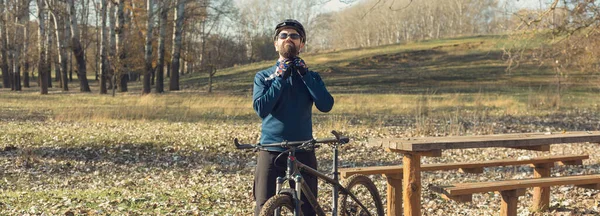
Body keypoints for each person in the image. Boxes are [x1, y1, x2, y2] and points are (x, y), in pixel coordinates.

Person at [252, 19, 334, 216]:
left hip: (303, 149)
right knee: (263, 207)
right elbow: (261, 109)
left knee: (307, 209)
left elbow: (326, 105)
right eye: (283, 35)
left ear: (301, 44)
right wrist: (279, 78)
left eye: (294, 36)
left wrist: (305, 75)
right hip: (271, 149)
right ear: (276, 44)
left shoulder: (311, 77)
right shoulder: (263, 77)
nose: (288, 38)